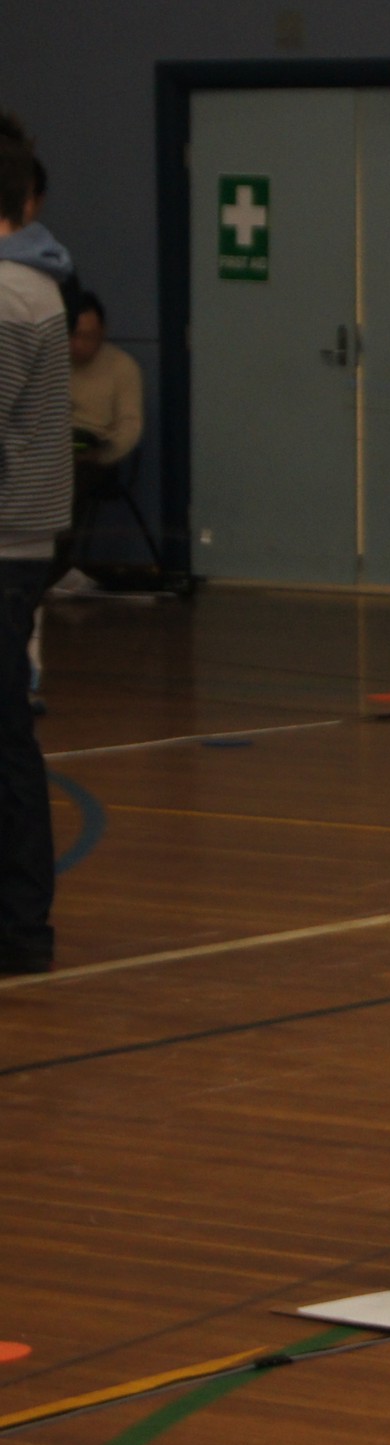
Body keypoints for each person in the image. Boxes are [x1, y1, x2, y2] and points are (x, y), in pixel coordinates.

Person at [0, 127, 72, 973]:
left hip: (5, 542)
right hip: (19, 539)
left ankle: (20, 928)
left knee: (5, 739)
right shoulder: (34, 285)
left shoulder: (10, 293)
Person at [57, 292, 143, 589]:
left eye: (88, 337)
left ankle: (55, 568)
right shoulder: (49, 362)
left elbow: (130, 426)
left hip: (97, 456)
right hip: (53, 450)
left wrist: (103, 453)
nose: (78, 345)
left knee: (70, 481)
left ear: (102, 332)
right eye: (73, 336)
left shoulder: (122, 367)